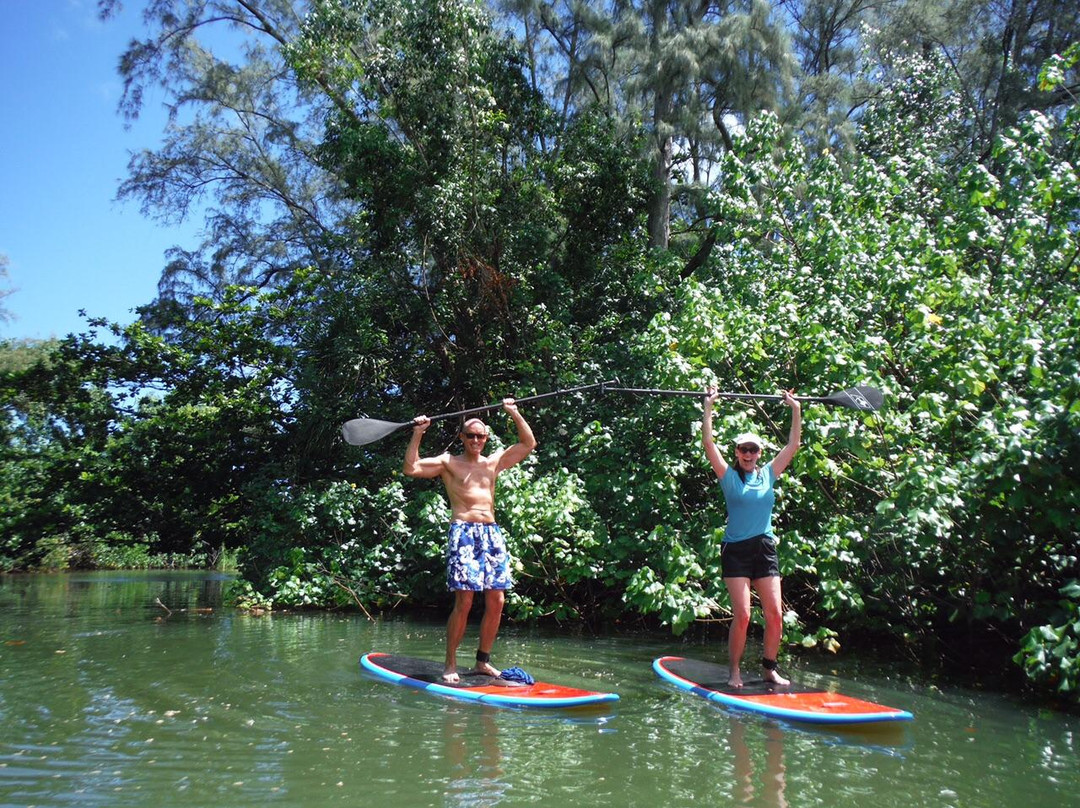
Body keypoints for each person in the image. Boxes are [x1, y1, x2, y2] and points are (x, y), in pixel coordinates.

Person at [403, 398, 536, 683]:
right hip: (463, 532)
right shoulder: (448, 462)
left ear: (486, 438)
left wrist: (513, 412)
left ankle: (482, 662)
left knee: (497, 600)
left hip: (491, 533)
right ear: (462, 437)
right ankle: (450, 664)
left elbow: (528, 444)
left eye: (481, 435)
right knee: (464, 600)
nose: (476, 440)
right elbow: (411, 468)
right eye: (471, 435)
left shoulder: (493, 462)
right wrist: (418, 433)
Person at [702, 387, 801, 687]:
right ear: (737, 453)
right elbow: (708, 443)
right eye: (743, 449)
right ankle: (734, 670)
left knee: (775, 615)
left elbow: (793, 444)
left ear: (759, 454)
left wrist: (795, 408)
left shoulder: (769, 473)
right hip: (736, 551)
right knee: (743, 615)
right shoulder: (728, 476)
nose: (748, 454)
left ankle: (769, 668)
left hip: (764, 548)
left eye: (753, 450)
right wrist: (708, 408)